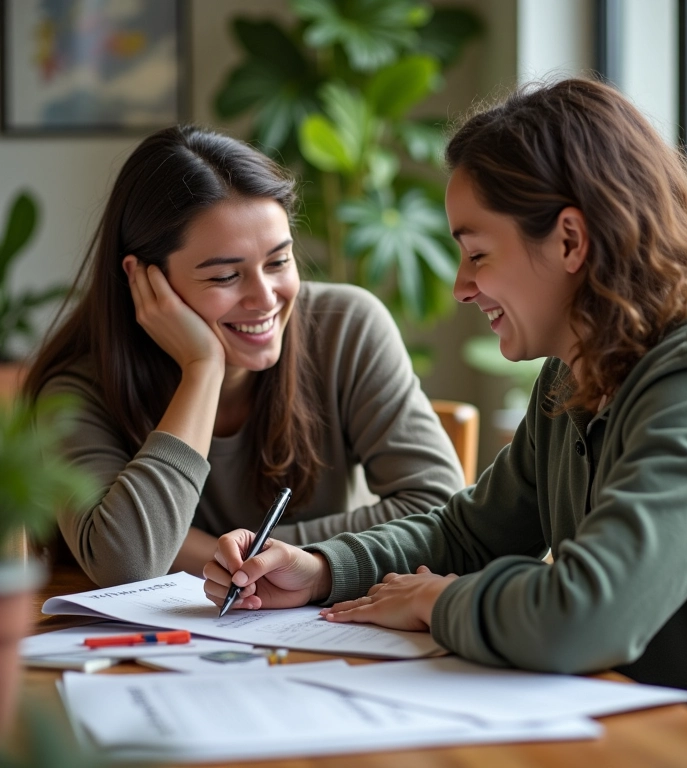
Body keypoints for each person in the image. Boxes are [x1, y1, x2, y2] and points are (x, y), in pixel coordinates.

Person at [202, 78, 687, 736]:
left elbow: (588, 614)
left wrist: (439, 602)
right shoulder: (573, 374)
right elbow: (466, 536)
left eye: (477, 254)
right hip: (630, 730)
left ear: (569, 240)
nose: (462, 286)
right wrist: (325, 569)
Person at [24, 125, 465, 587]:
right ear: (144, 280)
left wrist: (249, 556)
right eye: (224, 277)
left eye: (278, 262)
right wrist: (203, 369)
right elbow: (126, 563)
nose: (265, 297)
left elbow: (437, 509)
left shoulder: (346, 327)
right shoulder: (77, 390)